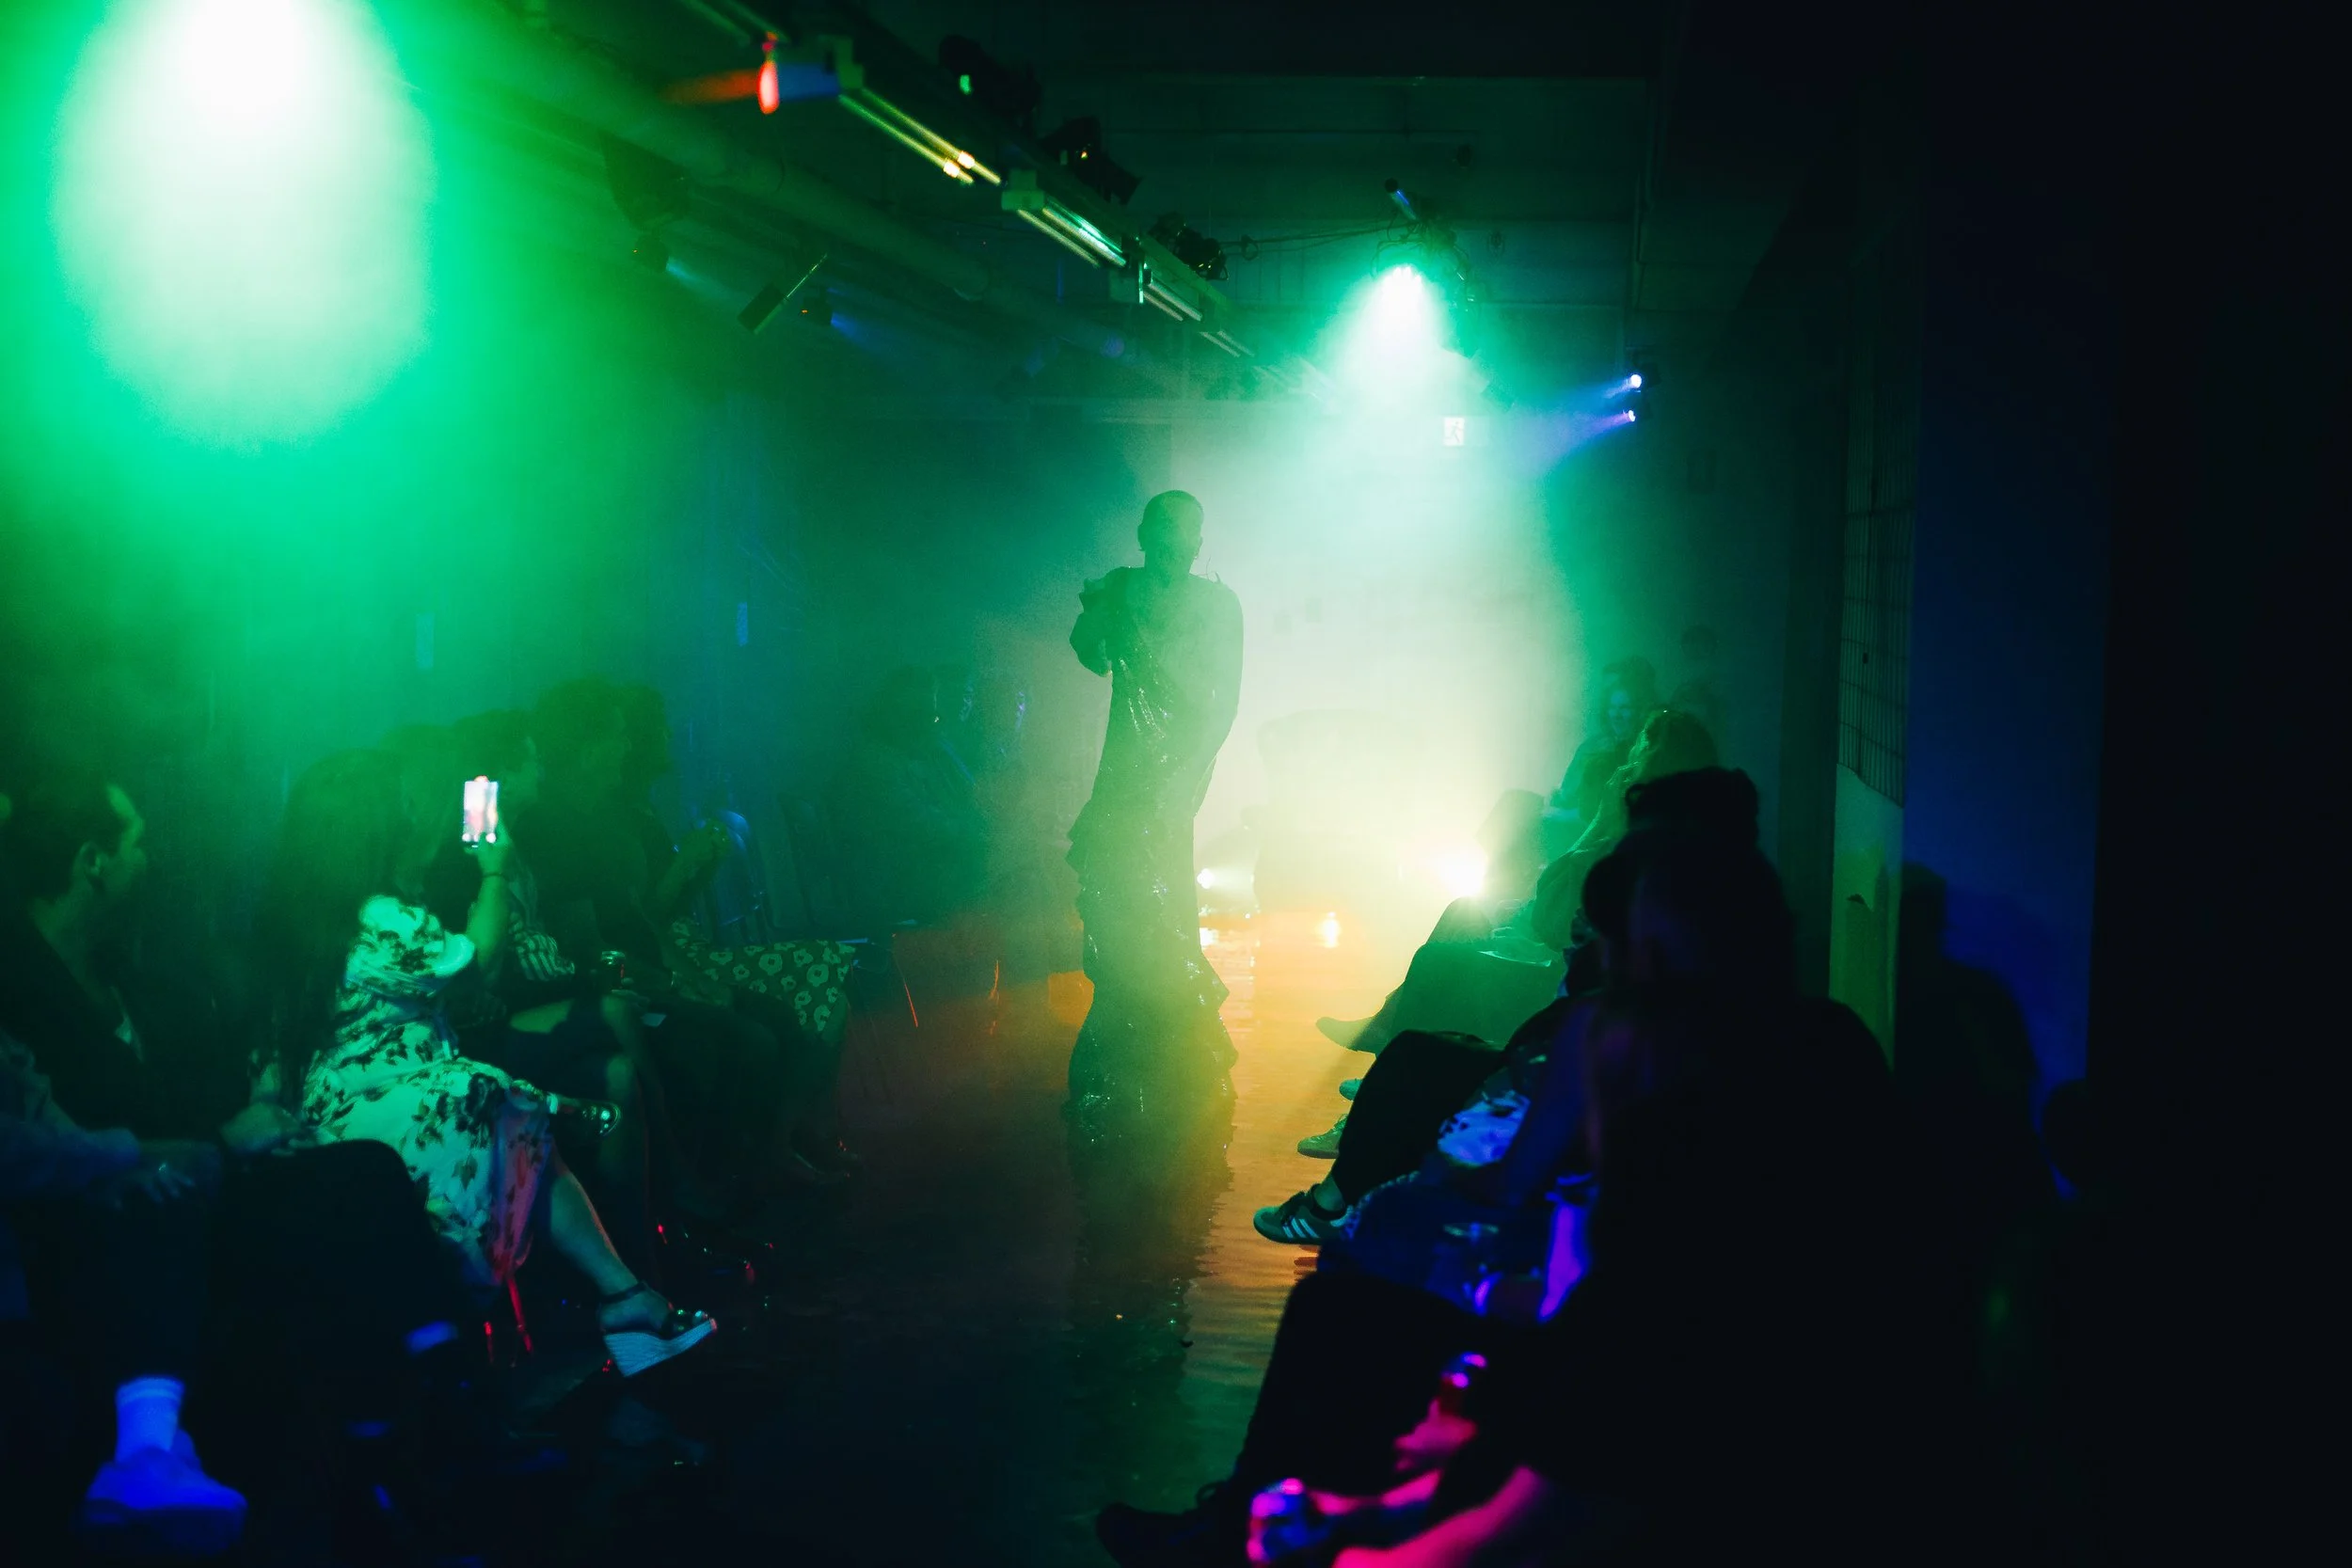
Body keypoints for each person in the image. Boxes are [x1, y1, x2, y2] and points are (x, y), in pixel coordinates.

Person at [252, 749, 712, 1375]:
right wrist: (494, 870)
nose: (412, 818)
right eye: (399, 811)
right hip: (380, 1127)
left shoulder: (292, 919)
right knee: (482, 1096)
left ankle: (625, 1293)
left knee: (510, 1113)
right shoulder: (382, 920)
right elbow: (482, 960)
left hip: (330, 1110)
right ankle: (601, 1291)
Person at [1065, 490, 1245, 1140]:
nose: (1175, 545)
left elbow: (1224, 703)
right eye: (1163, 532)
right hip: (1123, 777)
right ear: (1143, 534)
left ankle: (1172, 1049)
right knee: (1116, 906)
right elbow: (1090, 654)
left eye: (1186, 534)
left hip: (1171, 781)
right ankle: (1119, 1052)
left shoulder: (1217, 605)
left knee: (1164, 908)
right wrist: (1097, 608)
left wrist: (1184, 778)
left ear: (1199, 541)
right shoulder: (1121, 590)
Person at [825, 665, 989, 933]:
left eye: (931, 711)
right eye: (921, 712)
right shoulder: (875, 760)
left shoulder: (931, 748)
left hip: (925, 869)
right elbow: (912, 823)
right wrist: (973, 832)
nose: (931, 718)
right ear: (893, 711)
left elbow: (973, 797)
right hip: (898, 880)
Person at [1542, 656, 1659, 854]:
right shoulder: (1593, 745)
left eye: (1625, 708)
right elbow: (1566, 791)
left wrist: (1555, 814)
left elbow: (1600, 815)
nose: (1617, 715)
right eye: (1613, 708)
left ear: (1639, 711)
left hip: (1599, 831)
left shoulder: (1644, 750)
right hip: (1578, 816)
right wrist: (1556, 799)